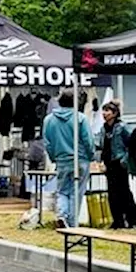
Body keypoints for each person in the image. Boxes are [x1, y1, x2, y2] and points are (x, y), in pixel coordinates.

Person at [42, 90, 94, 229]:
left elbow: (47, 143)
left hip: (61, 160)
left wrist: (54, 157)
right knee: (76, 191)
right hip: (80, 159)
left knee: (62, 191)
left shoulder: (48, 120)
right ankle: (72, 222)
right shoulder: (80, 118)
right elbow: (88, 140)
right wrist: (91, 155)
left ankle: (62, 215)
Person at [97, 100, 136, 229]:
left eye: (107, 111)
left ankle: (133, 220)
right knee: (112, 193)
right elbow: (100, 146)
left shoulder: (122, 127)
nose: (104, 114)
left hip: (119, 163)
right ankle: (118, 220)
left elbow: (134, 143)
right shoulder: (103, 129)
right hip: (108, 164)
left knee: (124, 192)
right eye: (103, 111)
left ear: (115, 113)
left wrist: (125, 160)